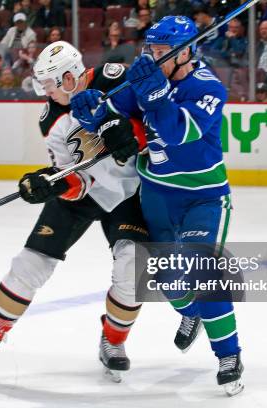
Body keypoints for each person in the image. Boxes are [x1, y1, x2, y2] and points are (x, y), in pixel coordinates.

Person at [71, 16, 244, 396]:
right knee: (168, 283)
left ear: (185, 53)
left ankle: (228, 355)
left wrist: (155, 96)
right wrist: (91, 111)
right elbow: (112, 113)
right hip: (157, 195)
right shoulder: (149, 77)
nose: (152, 57)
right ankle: (192, 313)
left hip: (204, 197)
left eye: (162, 52)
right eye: (150, 49)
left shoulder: (207, 87)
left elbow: (178, 133)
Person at [0, 41, 149, 383]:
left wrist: (135, 134)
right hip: (86, 192)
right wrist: (52, 184)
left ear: (68, 77)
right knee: (30, 263)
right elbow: (72, 176)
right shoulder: (51, 118)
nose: (45, 91)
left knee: (133, 270)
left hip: (130, 192)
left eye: (49, 83)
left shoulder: (113, 81)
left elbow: (153, 114)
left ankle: (113, 340)